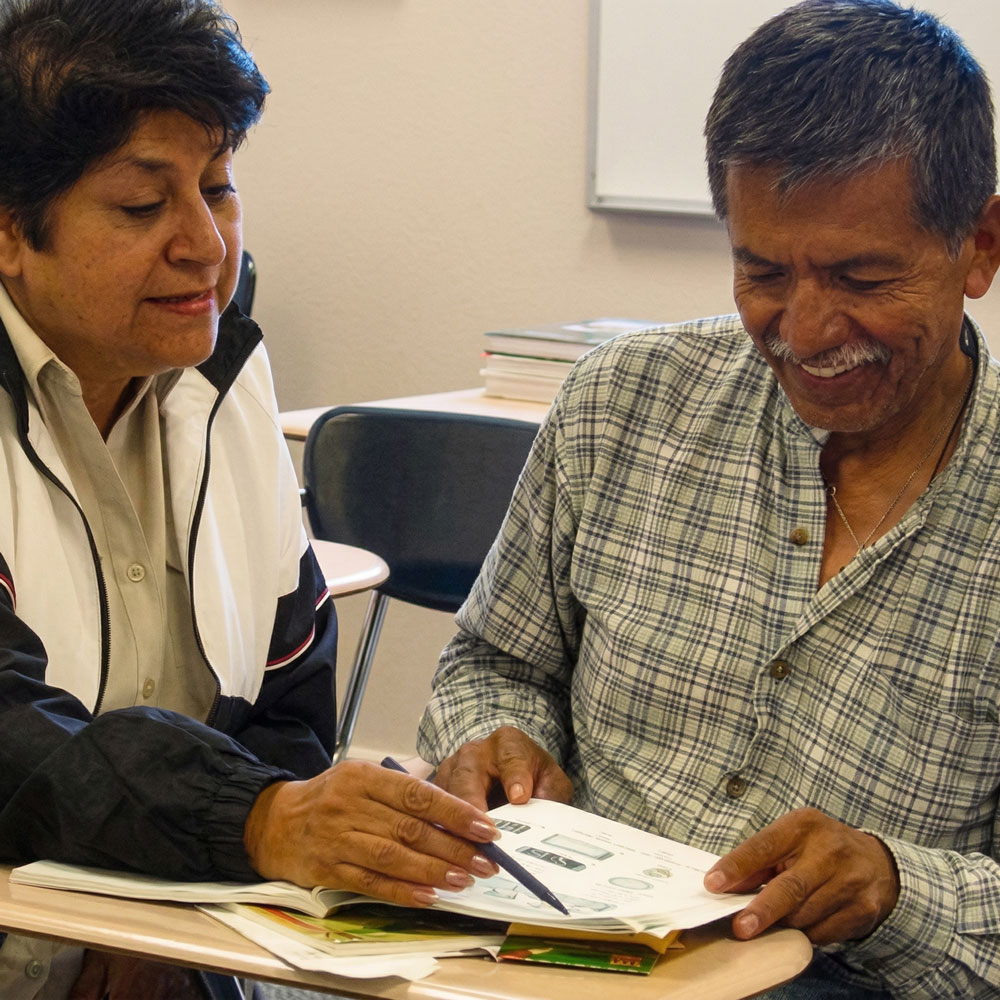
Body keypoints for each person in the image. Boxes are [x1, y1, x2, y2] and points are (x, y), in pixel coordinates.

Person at [417, 1, 1000, 997]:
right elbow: (493, 661)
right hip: (550, 961)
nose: (807, 330)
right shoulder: (624, 401)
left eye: (860, 275)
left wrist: (897, 885)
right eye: (761, 271)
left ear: (981, 245)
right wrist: (492, 739)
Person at [0, 1, 500, 997]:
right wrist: (252, 822)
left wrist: (167, 907)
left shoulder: (223, 376)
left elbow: (288, 696)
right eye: (144, 205)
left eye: (219, 187)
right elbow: (13, 737)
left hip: (180, 950)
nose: (203, 242)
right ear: (12, 233)